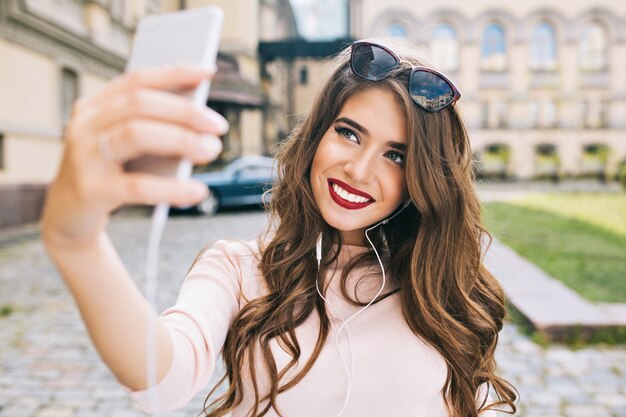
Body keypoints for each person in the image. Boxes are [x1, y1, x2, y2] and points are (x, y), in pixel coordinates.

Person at [41, 38, 517, 417]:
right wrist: (76, 242)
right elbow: (161, 378)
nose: (360, 169)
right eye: (348, 133)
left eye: (397, 155)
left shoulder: (443, 289)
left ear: (423, 178)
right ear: (316, 137)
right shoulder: (239, 269)